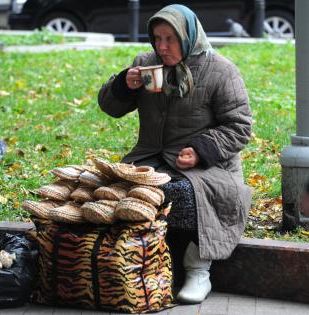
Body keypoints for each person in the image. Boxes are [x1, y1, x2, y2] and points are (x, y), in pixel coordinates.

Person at [98, 4, 252, 304]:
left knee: (179, 193)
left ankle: (197, 269)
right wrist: (123, 85)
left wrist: (200, 151)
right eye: (157, 38)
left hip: (207, 167)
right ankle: (141, 263)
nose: (162, 46)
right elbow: (110, 107)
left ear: (189, 36)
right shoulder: (145, 64)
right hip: (150, 158)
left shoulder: (221, 70)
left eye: (170, 38)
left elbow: (240, 126)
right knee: (115, 190)